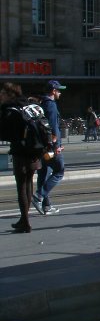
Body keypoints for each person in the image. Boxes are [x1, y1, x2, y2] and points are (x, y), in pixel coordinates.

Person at [1, 82, 48, 233]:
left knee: (21, 185)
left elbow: (6, 133)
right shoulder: (29, 105)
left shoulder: (11, 110)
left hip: (20, 151)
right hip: (36, 151)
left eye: (2, 93)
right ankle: (24, 219)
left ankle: (25, 221)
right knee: (29, 183)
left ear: (9, 94)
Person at [33, 79, 64, 215]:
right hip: (51, 147)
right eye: (58, 90)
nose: (60, 93)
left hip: (41, 146)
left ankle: (46, 205)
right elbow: (52, 127)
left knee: (43, 173)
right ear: (53, 91)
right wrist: (56, 145)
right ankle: (39, 196)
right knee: (59, 170)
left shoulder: (41, 104)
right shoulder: (51, 105)